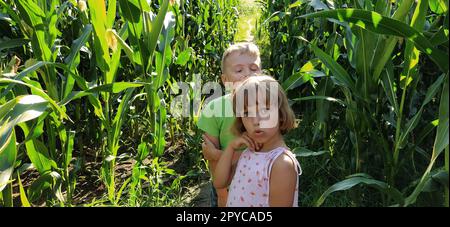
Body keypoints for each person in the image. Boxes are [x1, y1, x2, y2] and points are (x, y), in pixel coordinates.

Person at [213, 75, 302, 207]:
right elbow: (219, 182)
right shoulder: (249, 152)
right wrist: (231, 148)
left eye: (265, 110)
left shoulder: (281, 164)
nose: (255, 121)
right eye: (247, 113)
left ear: (281, 114)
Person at [197, 42, 262, 207]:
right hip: (227, 184)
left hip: (260, 181)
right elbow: (211, 158)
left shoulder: (267, 108)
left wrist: (221, 155)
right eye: (239, 70)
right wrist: (222, 194)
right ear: (225, 80)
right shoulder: (214, 109)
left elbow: (266, 154)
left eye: (254, 69)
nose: (248, 74)